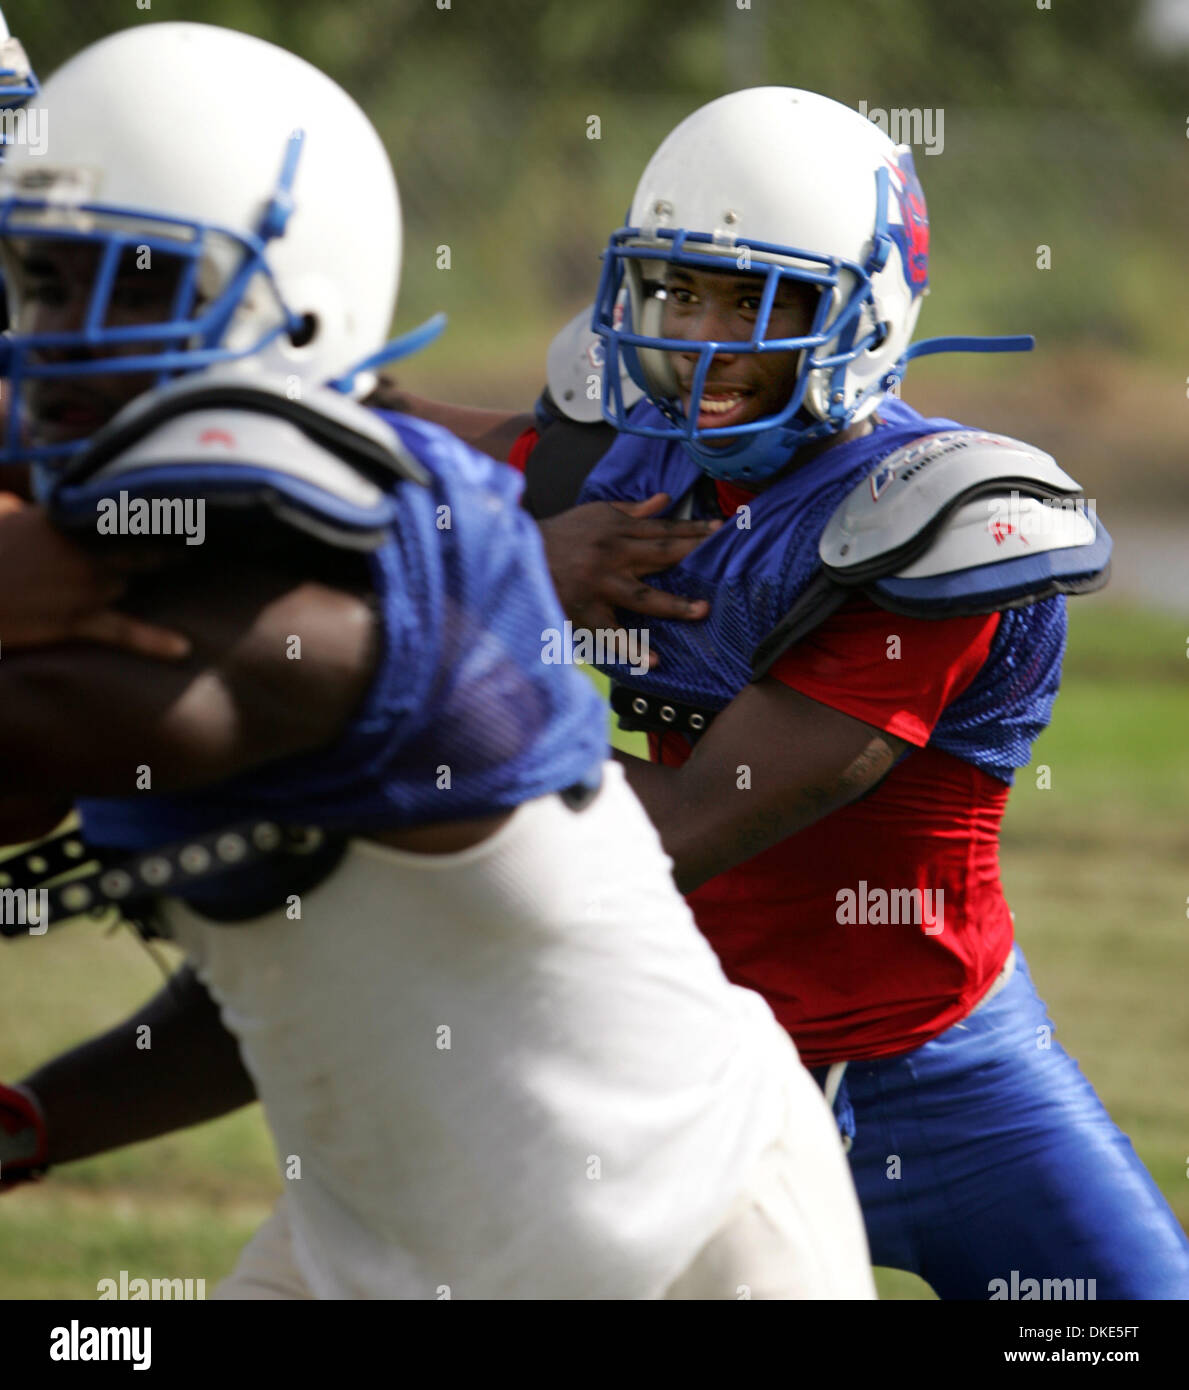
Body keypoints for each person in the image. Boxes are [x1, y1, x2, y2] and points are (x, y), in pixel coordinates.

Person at [0, 30, 873, 1300]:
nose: (64, 335)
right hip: (383, 1245)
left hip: (683, 1249)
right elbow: (285, 975)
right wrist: (29, 1124)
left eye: (133, 285)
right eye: (41, 276)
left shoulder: (346, 595)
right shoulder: (168, 537)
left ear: (298, 298)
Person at [538, 85, 1187, 1299]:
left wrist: (436, 681)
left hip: (942, 1068)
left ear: (861, 313)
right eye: (681, 291)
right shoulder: (624, 454)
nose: (706, 337)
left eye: (755, 301)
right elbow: (391, 469)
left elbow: (678, 828)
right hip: (681, 1057)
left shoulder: (931, 522)